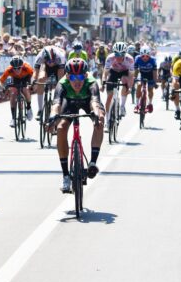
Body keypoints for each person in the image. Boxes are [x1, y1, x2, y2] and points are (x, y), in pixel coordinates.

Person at [48, 58, 105, 193]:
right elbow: (56, 103)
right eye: (73, 77)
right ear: (68, 76)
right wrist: (52, 116)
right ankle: (66, 176)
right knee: (61, 128)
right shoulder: (62, 84)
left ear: (85, 75)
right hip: (70, 103)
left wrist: (96, 114)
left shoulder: (91, 82)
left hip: (88, 102)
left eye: (80, 77)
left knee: (100, 119)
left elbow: (95, 101)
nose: (77, 81)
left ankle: (92, 162)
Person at [100, 42, 134, 128]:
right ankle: (107, 120)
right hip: (114, 72)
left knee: (125, 81)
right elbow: (105, 73)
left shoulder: (130, 59)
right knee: (109, 97)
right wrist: (103, 84)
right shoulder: (110, 58)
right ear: (113, 53)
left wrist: (129, 87)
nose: (119, 57)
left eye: (121, 54)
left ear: (125, 53)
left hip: (124, 72)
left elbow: (131, 75)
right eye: (117, 54)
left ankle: (122, 106)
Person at [0, 55, 34, 127]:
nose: (17, 70)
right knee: (13, 93)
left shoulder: (27, 67)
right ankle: (13, 118)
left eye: (19, 68)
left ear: (22, 66)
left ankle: (29, 108)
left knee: (25, 89)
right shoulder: (9, 69)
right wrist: (2, 88)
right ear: (12, 67)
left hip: (26, 78)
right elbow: (0, 80)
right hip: (15, 79)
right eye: (15, 68)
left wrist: (31, 84)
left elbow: (33, 75)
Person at [32, 46, 66, 120]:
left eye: (53, 61)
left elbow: (61, 75)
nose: (51, 63)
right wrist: (34, 81)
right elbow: (36, 72)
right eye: (49, 61)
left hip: (58, 67)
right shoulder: (40, 57)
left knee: (61, 84)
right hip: (45, 66)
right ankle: (40, 110)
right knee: (40, 79)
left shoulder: (60, 57)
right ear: (45, 59)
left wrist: (60, 86)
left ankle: (59, 105)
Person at [133, 45, 158, 113]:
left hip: (150, 74)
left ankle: (150, 104)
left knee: (150, 89)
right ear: (140, 55)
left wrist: (155, 82)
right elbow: (136, 70)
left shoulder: (153, 60)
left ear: (149, 55)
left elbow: (155, 72)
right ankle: (137, 105)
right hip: (141, 74)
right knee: (139, 85)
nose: (145, 58)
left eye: (147, 56)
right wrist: (134, 78)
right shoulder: (137, 58)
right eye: (143, 56)